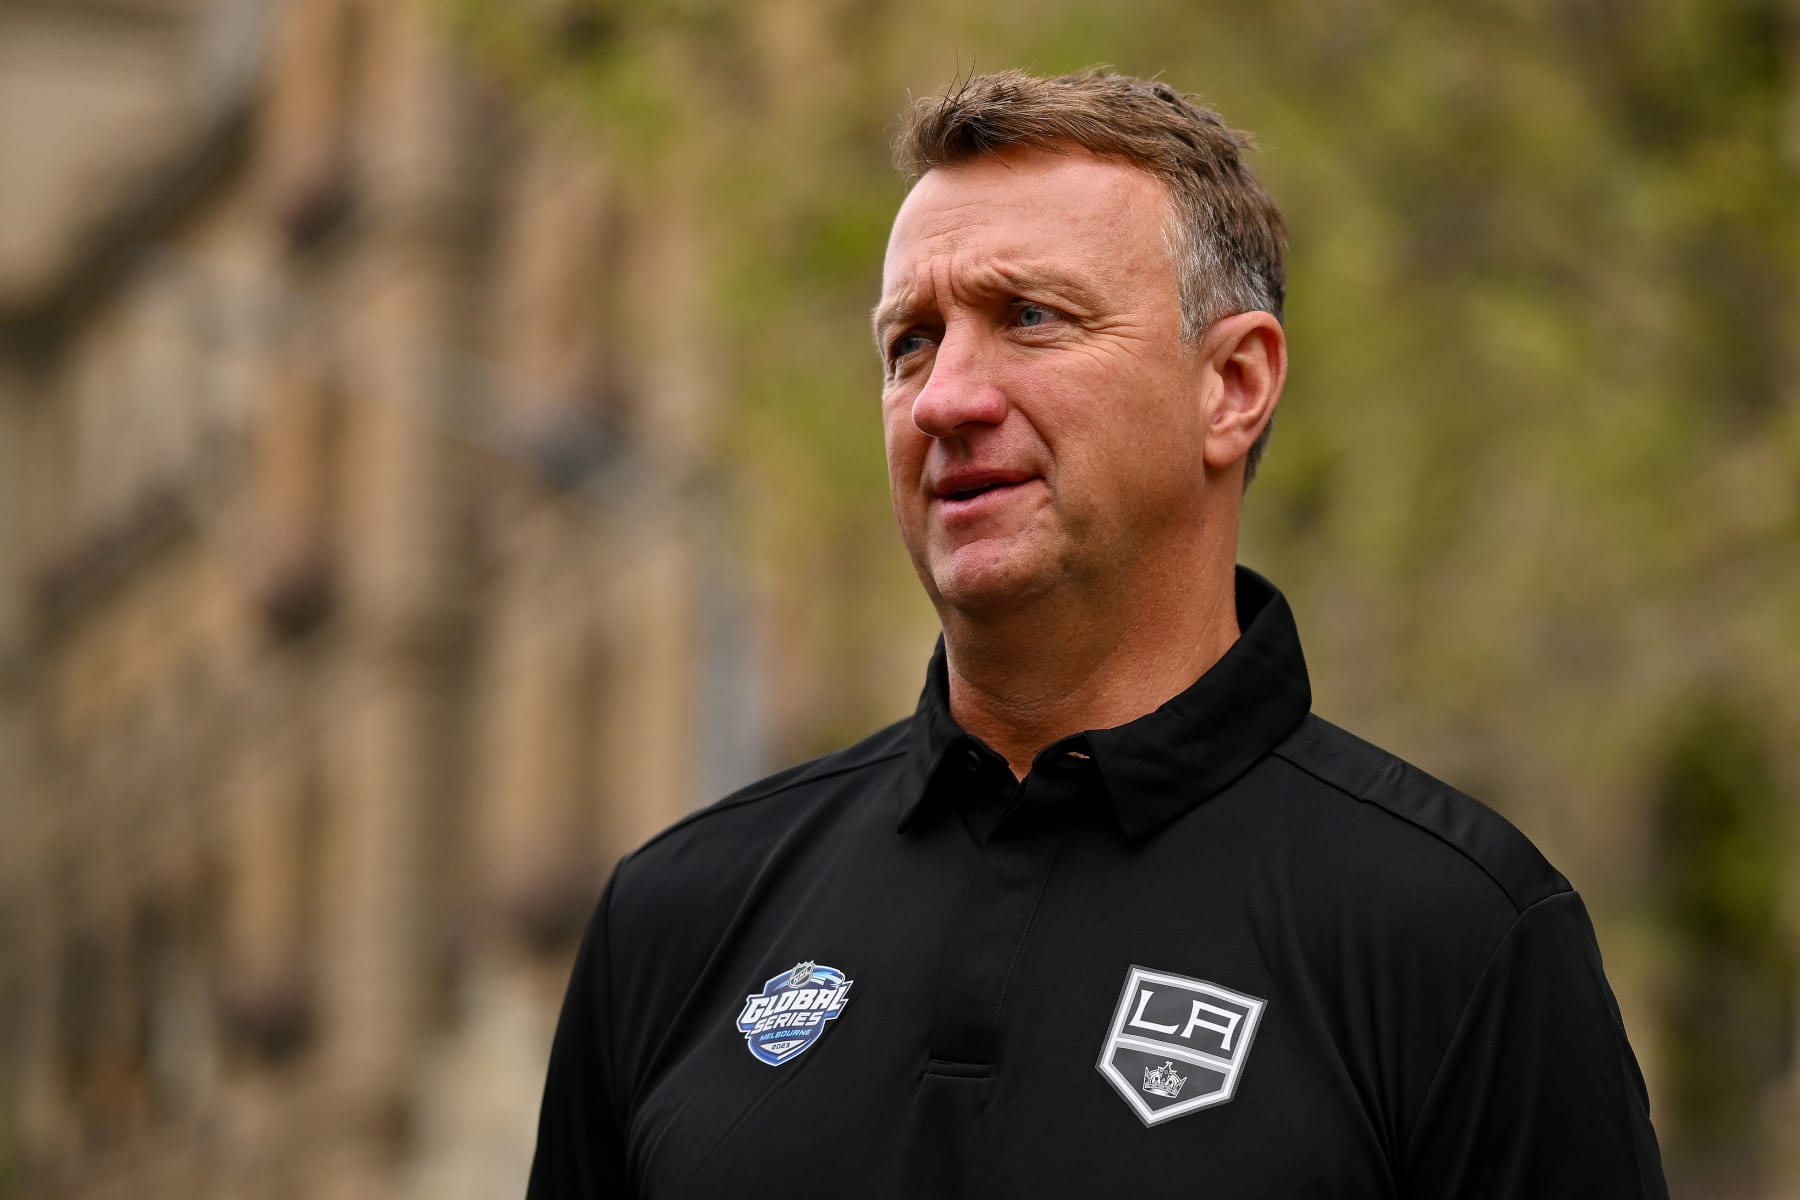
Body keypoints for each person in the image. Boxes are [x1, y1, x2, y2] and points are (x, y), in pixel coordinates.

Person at [526, 69, 1668, 1198]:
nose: (946, 399)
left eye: (1030, 317)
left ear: (1233, 384)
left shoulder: (1456, 934)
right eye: (910, 343)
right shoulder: (679, 917)